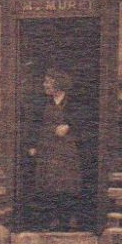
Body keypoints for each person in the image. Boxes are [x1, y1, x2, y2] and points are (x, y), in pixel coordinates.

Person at [32, 67, 82, 231]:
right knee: (49, 183)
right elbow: (34, 126)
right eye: (45, 81)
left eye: (48, 82)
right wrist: (35, 145)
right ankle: (52, 219)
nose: (45, 84)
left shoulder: (73, 103)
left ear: (58, 83)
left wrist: (70, 127)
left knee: (68, 183)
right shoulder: (42, 103)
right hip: (48, 148)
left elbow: (85, 125)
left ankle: (69, 218)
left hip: (67, 149)